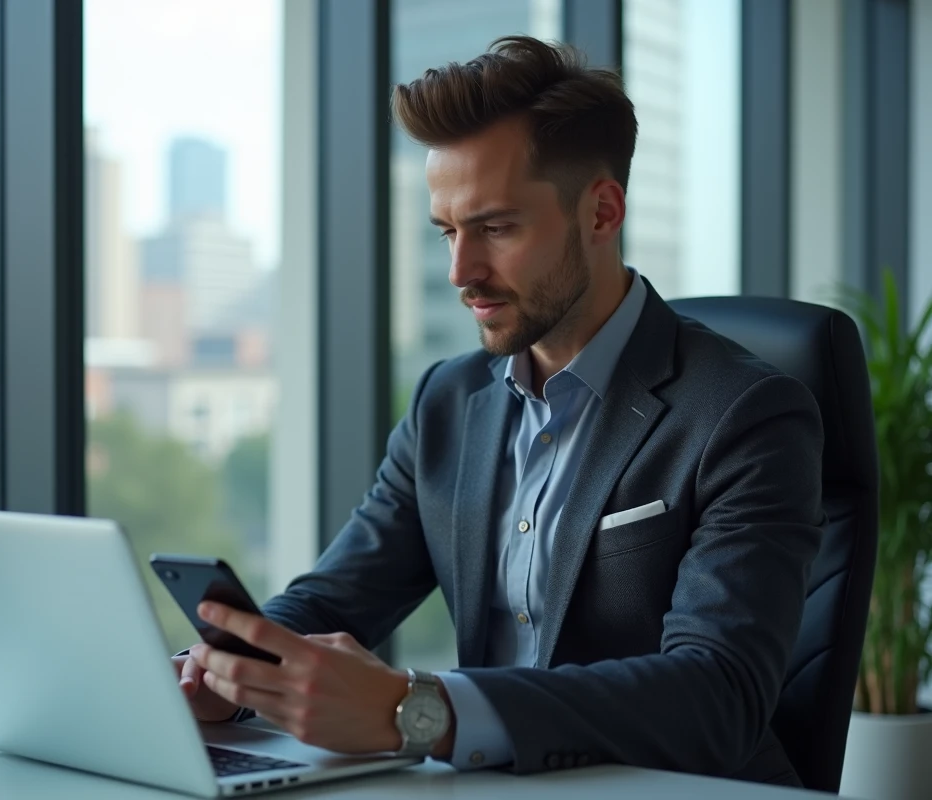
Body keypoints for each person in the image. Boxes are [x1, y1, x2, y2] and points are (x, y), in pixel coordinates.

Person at [172, 36, 822, 787]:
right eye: (448, 231)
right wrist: (221, 671)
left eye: (496, 228)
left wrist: (421, 711)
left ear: (602, 211)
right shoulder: (448, 402)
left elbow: (718, 695)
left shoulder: (747, 415)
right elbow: (335, 597)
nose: (461, 271)